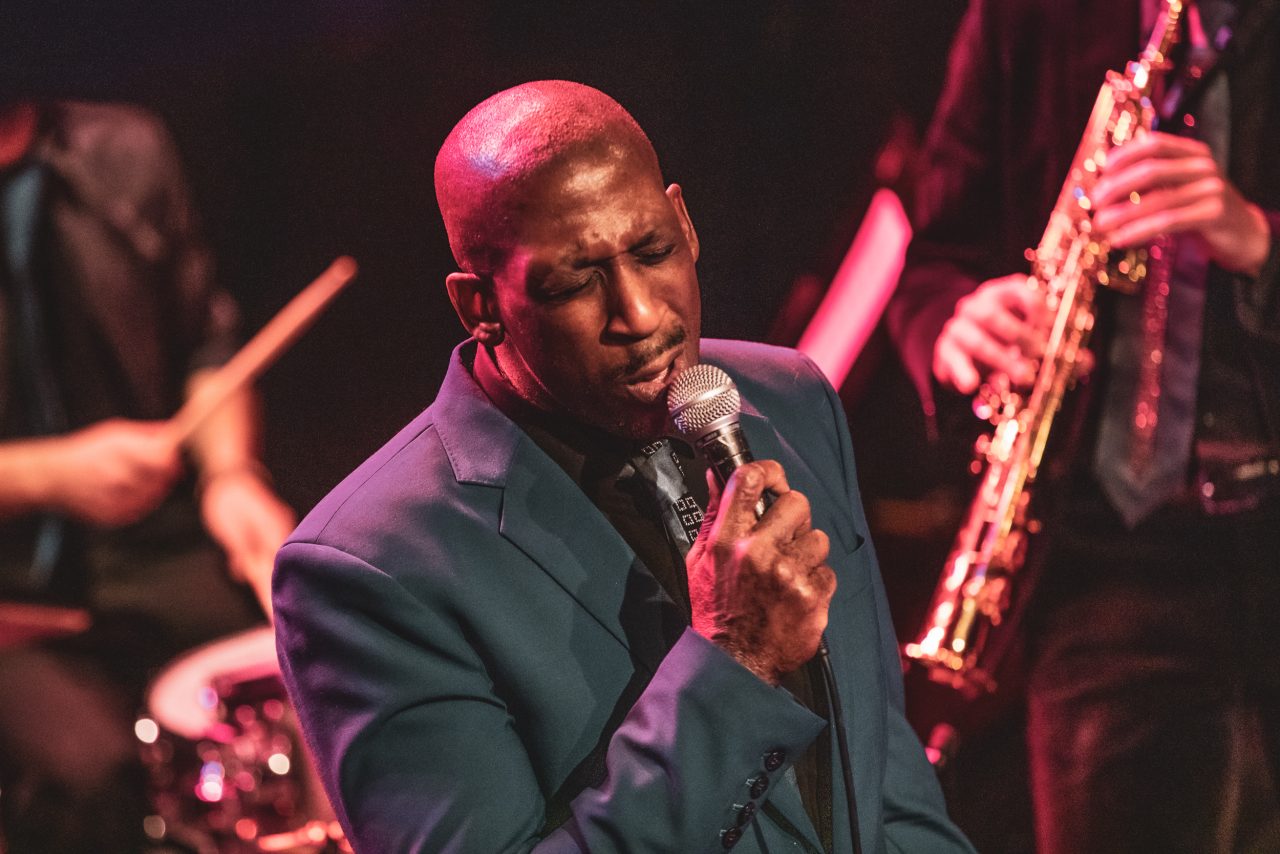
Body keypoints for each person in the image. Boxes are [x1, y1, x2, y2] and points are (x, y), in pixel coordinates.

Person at [273, 80, 973, 853]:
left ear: (685, 223)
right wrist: (734, 664)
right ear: (480, 306)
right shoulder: (368, 569)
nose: (639, 315)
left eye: (653, 251)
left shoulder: (791, 397)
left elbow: (885, 780)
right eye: (573, 282)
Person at [886, 0, 1280, 851]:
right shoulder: (1024, 16)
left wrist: (1257, 241)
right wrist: (955, 323)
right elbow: (931, 265)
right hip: (1113, 566)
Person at [0, 98, 296, 852]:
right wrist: (44, 476)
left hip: (151, 549)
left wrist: (232, 476)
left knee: (315, 676)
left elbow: (208, 349)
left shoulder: (126, 150)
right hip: (13, 590)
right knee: (88, 775)